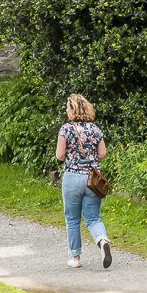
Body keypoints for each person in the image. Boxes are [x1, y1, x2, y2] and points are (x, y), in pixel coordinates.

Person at [57, 93, 112, 269]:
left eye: (68, 106)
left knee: (72, 219)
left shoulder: (66, 129)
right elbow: (102, 154)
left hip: (72, 177)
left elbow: (59, 156)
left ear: (74, 109)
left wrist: (72, 156)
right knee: (93, 218)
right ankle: (102, 241)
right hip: (92, 180)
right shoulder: (95, 130)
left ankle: (75, 258)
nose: (66, 109)